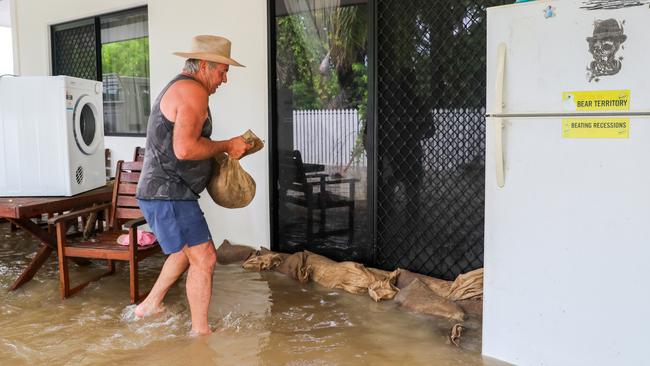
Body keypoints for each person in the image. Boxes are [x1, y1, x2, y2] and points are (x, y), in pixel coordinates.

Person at [134, 35, 249, 335]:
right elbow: (184, 149)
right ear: (204, 66)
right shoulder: (191, 91)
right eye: (223, 71)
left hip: (168, 192)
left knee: (186, 253)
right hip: (169, 192)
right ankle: (201, 334)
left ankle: (149, 306)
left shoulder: (185, 87)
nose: (225, 79)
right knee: (205, 257)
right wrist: (226, 145)